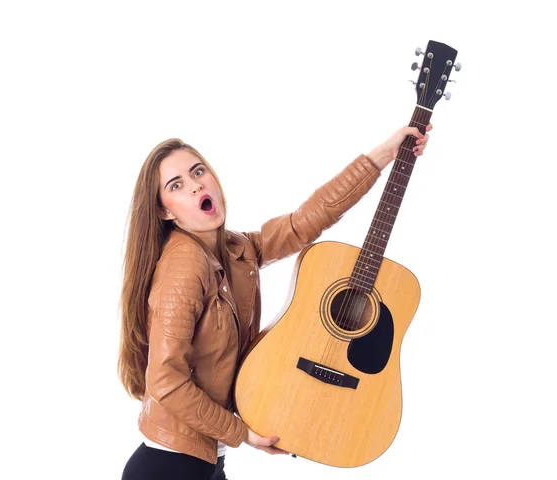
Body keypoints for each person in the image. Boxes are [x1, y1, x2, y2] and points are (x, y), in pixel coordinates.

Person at [118, 123, 432, 479]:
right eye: (177, 186)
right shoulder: (183, 271)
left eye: (198, 171)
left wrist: (382, 155)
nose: (196, 185)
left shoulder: (234, 250)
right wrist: (242, 433)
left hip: (202, 460)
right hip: (169, 466)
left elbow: (302, 223)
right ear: (165, 211)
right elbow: (166, 382)